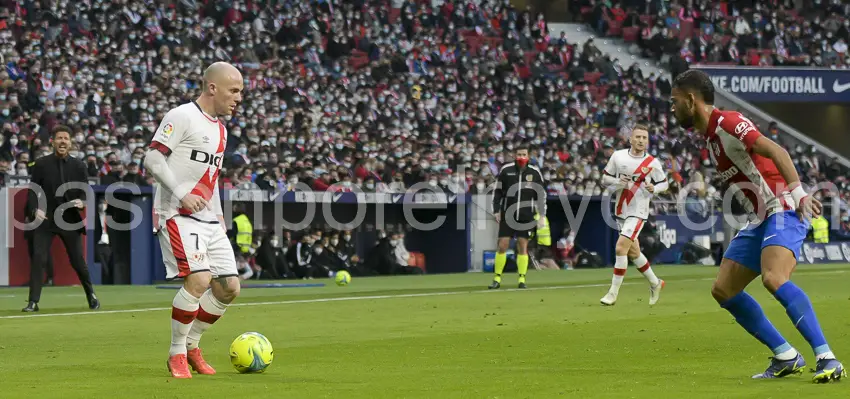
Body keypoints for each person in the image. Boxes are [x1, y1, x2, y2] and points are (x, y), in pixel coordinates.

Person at [670, 69, 844, 382]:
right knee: (724, 289)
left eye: (675, 100)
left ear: (691, 100)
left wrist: (800, 194)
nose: (672, 107)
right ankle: (785, 355)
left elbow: (777, 151)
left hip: (782, 205)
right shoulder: (710, 138)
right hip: (759, 217)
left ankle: (827, 357)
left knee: (773, 278)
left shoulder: (729, 123)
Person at [144, 62, 244, 379]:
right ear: (212, 87)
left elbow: (209, 179)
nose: (239, 98)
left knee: (229, 287)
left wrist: (218, 217)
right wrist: (180, 193)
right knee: (199, 280)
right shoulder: (181, 116)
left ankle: (193, 346)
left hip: (207, 218)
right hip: (176, 211)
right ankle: (176, 353)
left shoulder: (221, 131)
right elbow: (153, 158)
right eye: (234, 90)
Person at [23, 125, 99, 312]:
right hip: (46, 219)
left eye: (66, 138)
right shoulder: (41, 164)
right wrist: (34, 210)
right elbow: (33, 190)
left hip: (69, 219)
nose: (62, 141)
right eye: (59, 138)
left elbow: (86, 193)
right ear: (53, 141)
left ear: (70, 142)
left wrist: (82, 202)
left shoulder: (79, 166)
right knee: (38, 258)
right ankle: (33, 302)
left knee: (77, 261)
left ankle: (91, 295)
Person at [599, 123, 667, 306]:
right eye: (638, 137)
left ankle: (612, 293)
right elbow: (604, 178)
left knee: (620, 248)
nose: (641, 140)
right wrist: (617, 182)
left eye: (644, 138)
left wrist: (655, 188)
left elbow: (665, 183)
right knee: (634, 252)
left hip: (639, 211)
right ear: (630, 139)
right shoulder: (618, 156)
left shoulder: (652, 162)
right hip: (621, 209)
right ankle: (655, 282)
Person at [489, 144, 546, 289]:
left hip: (526, 215)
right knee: (502, 244)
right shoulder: (506, 171)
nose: (521, 157)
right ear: (514, 155)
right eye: (519, 154)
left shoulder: (534, 173)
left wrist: (541, 215)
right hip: (508, 214)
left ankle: (521, 279)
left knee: (523, 245)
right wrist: (496, 210)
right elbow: (497, 192)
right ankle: (497, 278)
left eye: (524, 154)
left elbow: (540, 195)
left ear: (528, 156)